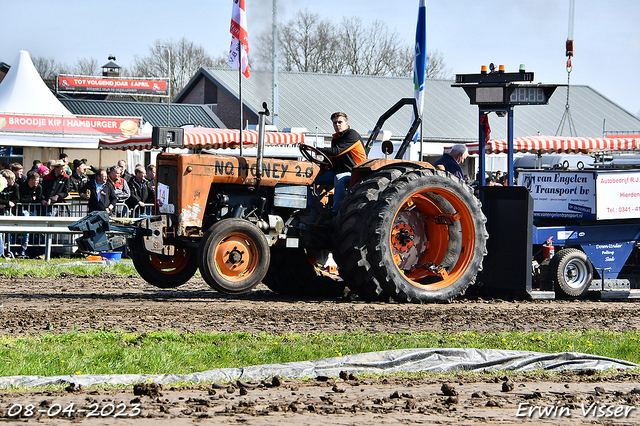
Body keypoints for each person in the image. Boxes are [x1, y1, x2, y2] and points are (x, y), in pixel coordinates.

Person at [311, 112, 367, 213]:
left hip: (355, 172)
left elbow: (337, 151)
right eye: (335, 123)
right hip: (339, 170)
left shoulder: (352, 135)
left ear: (346, 123)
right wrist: (322, 169)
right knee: (310, 179)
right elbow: (331, 158)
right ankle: (310, 208)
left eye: (340, 122)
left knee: (339, 179)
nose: (337, 125)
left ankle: (337, 211)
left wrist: (318, 150)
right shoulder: (336, 139)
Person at [17, 171, 43, 258]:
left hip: (34, 211)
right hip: (24, 210)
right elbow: (21, 199)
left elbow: (38, 199)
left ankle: (37, 251)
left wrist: (31, 199)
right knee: (26, 232)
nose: (37, 182)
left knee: (37, 231)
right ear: (30, 180)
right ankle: (23, 251)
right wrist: (32, 198)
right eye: (36, 180)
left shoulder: (38, 187)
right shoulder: (22, 187)